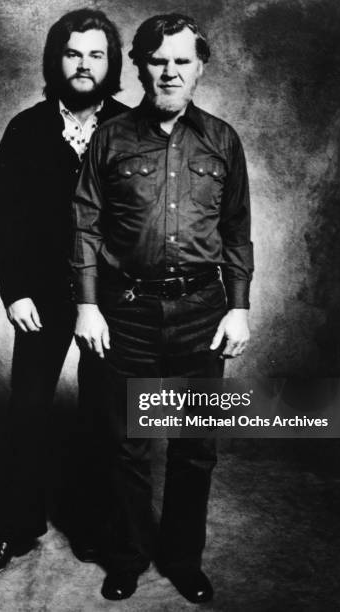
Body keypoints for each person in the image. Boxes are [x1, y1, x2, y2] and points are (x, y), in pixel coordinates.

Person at [72, 13, 253, 602]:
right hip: (127, 314)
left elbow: (237, 232)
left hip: (203, 312)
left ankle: (182, 559)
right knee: (126, 444)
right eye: (157, 60)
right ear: (141, 67)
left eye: (182, 61)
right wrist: (87, 306)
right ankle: (126, 558)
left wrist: (240, 307)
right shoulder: (112, 137)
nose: (169, 71)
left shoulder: (223, 140)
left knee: (195, 447)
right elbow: (85, 227)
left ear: (200, 68)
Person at [0, 8, 128, 580]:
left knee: (104, 418)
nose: (83, 65)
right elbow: (4, 220)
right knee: (28, 413)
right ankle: (15, 530)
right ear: (54, 60)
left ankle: (93, 528)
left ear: (111, 65)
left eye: (96, 54)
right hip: (41, 298)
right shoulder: (26, 128)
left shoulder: (130, 129)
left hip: (111, 302)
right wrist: (15, 293)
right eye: (72, 53)